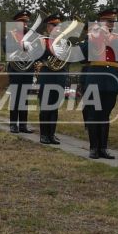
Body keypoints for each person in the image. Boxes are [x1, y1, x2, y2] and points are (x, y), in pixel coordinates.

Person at [78, 7, 118, 159]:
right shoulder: (92, 36)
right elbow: (82, 54)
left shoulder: (116, 37)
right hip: (95, 79)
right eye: (108, 21)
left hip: (111, 80)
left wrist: (109, 38)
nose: (111, 24)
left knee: (105, 115)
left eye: (113, 22)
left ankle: (103, 148)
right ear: (101, 21)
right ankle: (93, 148)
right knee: (93, 114)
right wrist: (94, 37)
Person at [32, 12, 66, 145]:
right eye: (54, 25)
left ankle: (52, 134)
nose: (57, 28)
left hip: (60, 76)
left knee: (55, 107)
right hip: (47, 75)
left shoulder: (64, 42)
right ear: (48, 27)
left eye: (59, 25)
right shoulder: (42, 40)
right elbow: (36, 56)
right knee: (46, 106)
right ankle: (44, 135)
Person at [4, 9, 36, 134]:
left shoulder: (32, 35)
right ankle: (13, 124)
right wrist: (21, 45)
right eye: (22, 21)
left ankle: (23, 125)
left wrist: (33, 47)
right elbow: (6, 48)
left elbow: (38, 50)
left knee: (25, 97)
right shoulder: (10, 34)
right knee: (16, 97)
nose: (24, 24)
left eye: (26, 21)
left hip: (28, 69)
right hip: (15, 69)